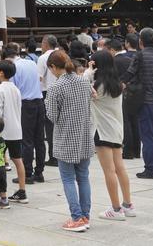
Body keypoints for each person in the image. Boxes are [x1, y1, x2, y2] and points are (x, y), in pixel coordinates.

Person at [45, 50, 94, 232]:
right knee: (83, 177)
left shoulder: (56, 87)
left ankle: (76, 217)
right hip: (84, 136)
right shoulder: (84, 81)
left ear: (53, 67)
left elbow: (52, 116)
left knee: (67, 178)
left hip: (65, 137)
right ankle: (85, 216)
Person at [121, 27, 153, 179]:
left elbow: (130, 74)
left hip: (147, 102)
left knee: (149, 136)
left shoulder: (140, 56)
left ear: (141, 41)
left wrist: (118, 85)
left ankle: (151, 168)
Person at [88, 50, 134, 221]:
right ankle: (127, 204)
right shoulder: (118, 84)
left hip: (102, 131)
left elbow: (84, 91)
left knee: (109, 171)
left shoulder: (97, 85)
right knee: (119, 168)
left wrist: (88, 72)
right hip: (116, 130)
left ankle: (115, 209)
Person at [4, 43, 44, 184]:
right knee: (39, 139)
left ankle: (27, 173)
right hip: (39, 101)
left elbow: (13, 90)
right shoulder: (31, 63)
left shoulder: (13, 68)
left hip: (25, 104)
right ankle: (39, 172)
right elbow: (40, 79)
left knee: (27, 140)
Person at [0, 60, 27, 204]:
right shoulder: (16, 89)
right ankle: (22, 190)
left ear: (1, 72)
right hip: (16, 129)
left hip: (2, 131)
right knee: (17, 160)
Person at [115, 33, 141, 159]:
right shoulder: (141, 56)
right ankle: (137, 150)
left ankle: (128, 151)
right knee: (136, 121)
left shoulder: (120, 58)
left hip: (126, 91)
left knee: (126, 121)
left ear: (127, 43)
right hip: (139, 91)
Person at [36, 34, 60, 166]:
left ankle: (53, 156)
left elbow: (38, 78)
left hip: (48, 92)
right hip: (62, 90)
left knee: (50, 126)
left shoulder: (43, 58)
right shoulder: (62, 55)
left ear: (45, 44)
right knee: (61, 124)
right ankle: (61, 154)